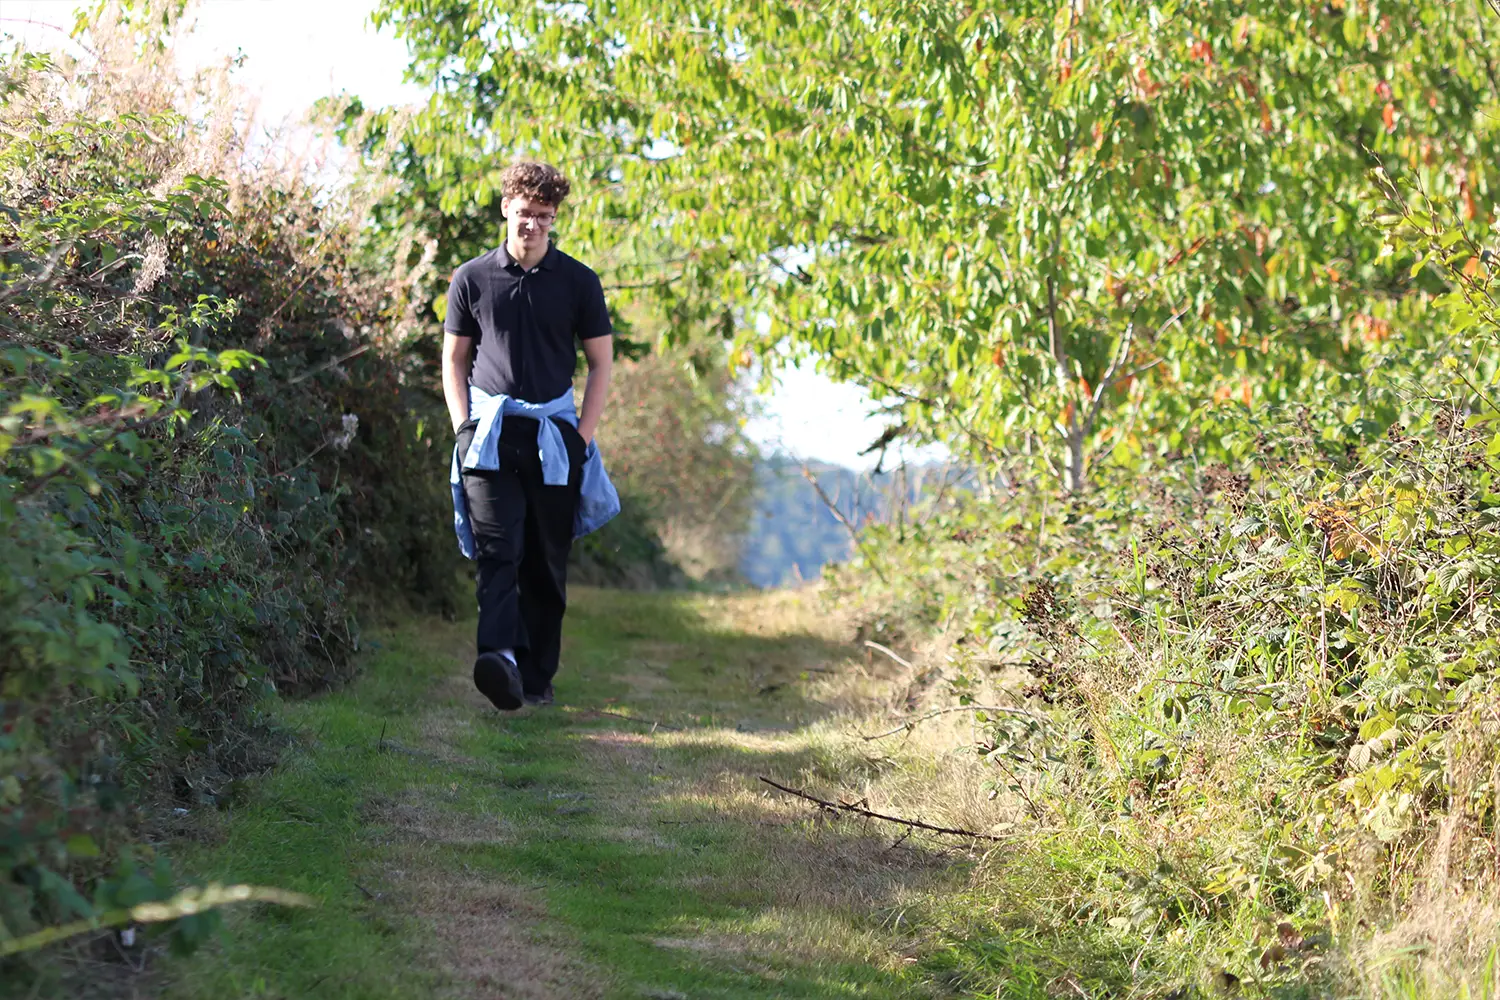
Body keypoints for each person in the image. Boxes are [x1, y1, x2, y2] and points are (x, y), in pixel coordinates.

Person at [442, 161, 619, 711]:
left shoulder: (578, 282)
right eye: (524, 214)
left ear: (554, 218)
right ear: (505, 210)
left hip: (554, 440)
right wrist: (463, 427)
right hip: (489, 436)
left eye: (544, 217)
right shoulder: (471, 278)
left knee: (545, 559)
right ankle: (498, 658)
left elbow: (601, 365)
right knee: (498, 552)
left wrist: (581, 438)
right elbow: (453, 359)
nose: (533, 226)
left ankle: (537, 678)